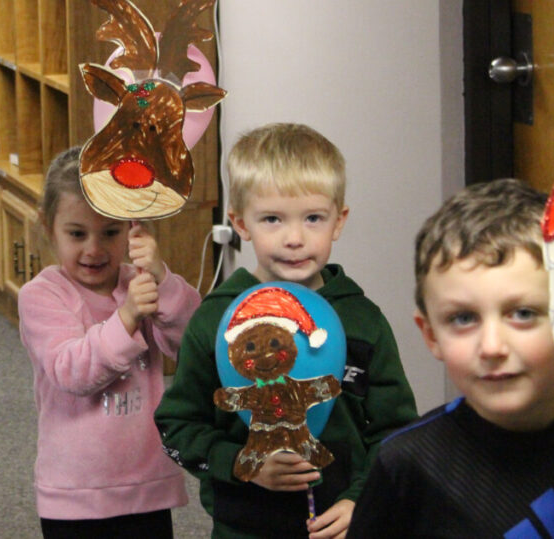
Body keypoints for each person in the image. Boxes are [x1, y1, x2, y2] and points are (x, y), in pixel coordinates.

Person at [346, 178, 554, 537]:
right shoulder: (408, 466)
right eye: (463, 319)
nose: (492, 346)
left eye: (523, 313)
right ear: (431, 335)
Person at [154, 122, 418, 539]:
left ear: (339, 221)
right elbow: (177, 426)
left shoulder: (364, 321)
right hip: (245, 527)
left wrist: (361, 498)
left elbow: (396, 432)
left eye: (313, 218)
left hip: (344, 525)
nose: (295, 238)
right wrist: (241, 461)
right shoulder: (215, 320)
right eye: (272, 219)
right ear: (241, 224)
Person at [18, 146, 201, 539]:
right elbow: (72, 372)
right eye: (77, 233)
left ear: (133, 229)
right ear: (49, 226)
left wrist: (162, 279)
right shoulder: (42, 296)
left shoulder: (139, 283)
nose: (94, 249)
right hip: (74, 494)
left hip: (145, 486)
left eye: (110, 232)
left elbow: (191, 341)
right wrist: (128, 316)